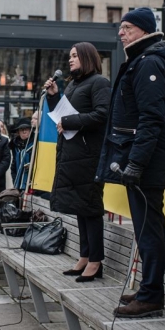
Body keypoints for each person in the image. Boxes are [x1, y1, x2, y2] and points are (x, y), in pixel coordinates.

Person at [95, 8, 165, 319]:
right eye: (121, 27)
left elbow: (151, 121)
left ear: (144, 31)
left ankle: (151, 296)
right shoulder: (142, 61)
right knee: (147, 228)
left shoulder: (150, 63)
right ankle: (148, 289)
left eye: (127, 28)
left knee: (149, 230)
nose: (121, 33)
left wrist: (136, 164)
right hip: (141, 163)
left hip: (145, 165)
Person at [44, 42, 110, 283]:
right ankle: (84, 256)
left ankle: (96, 261)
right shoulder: (73, 84)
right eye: (69, 55)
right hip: (72, 154)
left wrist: (71, 122)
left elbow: (103, 114)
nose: (70, 59)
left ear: (86, 57)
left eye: (74, 56)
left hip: (89, 155)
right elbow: (63, 115)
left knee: (91, 207)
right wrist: (53, 98)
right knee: (80, 207)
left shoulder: (99, 83)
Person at [11, 119, 33, 191]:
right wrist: (15, 180)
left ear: (31, 130)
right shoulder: (15, 146)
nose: (24, 132)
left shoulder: (35, 144)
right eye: (21, 130)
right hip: (18, 185)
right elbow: (13, 167)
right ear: (18, 132)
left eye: (26, 129)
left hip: (32, 185)